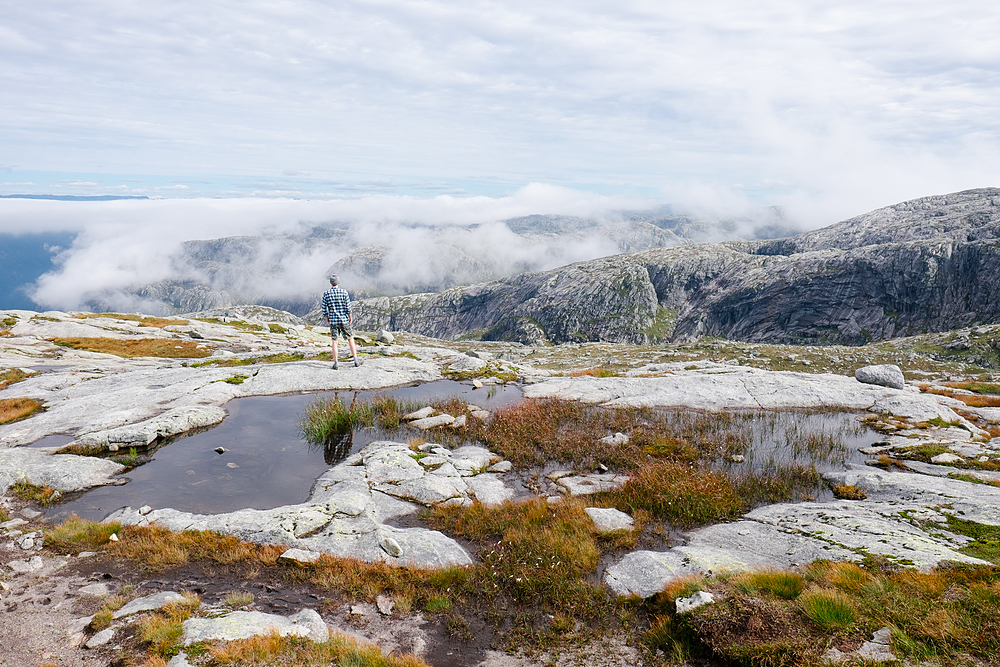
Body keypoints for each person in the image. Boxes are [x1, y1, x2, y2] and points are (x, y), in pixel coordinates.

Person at [320, 274, 362, 369]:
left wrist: (327, 319)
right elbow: (348, 307)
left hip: (333, 321)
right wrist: (350, 317)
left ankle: (336, 362)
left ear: (331, 283)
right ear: (338, 282)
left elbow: (324, 309)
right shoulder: (344, 292)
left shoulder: (326, 294)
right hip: (344, 320)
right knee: (350, 338)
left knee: (335, 341)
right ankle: (356, 360)